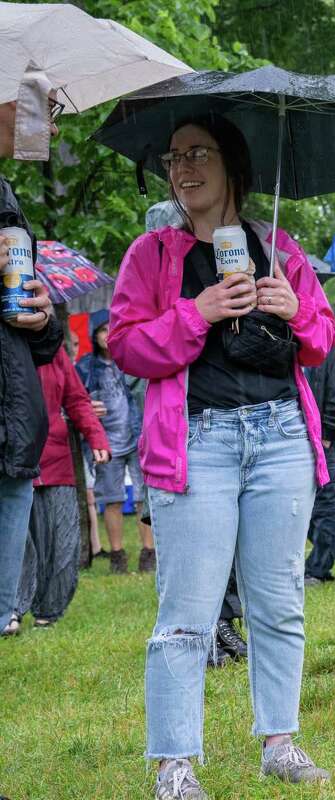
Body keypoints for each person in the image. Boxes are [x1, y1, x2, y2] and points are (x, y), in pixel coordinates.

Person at [109, 112, 334, 797]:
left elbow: (321, 340)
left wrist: (295, 307)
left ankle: (280, 744)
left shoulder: (277, 246)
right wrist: (197, 312)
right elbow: (124, 345)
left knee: (279, 600)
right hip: (198, 443)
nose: (183, 168)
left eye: (197, 153)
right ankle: (175, 766)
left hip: (280, 439)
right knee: (188, 610)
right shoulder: (152, 255)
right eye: (174, 158)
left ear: (231, 165)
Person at [0, 77, 64, 639]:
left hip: (13, 429)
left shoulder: (7, 196)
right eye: (48, 106)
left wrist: (45, 316)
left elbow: (38, 343)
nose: (56, 122)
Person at [12, 344, 109, 631]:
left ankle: (49, 611)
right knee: (17, 540)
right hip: (13, 458)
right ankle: (11, 610)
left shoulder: (54, 350)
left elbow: (77, 399)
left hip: (56, 457)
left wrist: (97, 437)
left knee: (63, 540)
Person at [76, 309, 153, 574]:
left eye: (112, 328)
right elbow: (75, 402)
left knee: (145, 496)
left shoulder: (133, 360)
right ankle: (117, 556)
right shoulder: (85, 367)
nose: (108, 335)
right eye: (102, 330)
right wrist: (87, 406)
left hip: (137, 436)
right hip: (105, 443)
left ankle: (149, 553)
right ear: (94, 335)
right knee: (112, 499)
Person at [304, 268, 335, 584]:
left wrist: (331, 433)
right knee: (301, 509)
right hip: (292, 436)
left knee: (326, 505)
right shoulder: (284, 331)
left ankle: (318, 569)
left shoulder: (328, 335)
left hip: (324, 439)